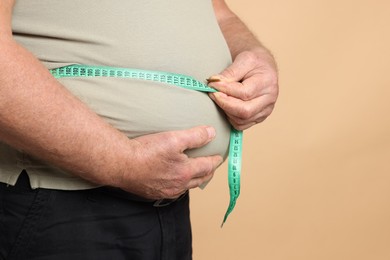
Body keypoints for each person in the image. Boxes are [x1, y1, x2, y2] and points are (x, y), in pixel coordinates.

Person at [0, 0, 278, 259]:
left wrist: (251, 53)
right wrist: (123, 161)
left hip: (167, 209)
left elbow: (217, 11)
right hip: (55, 200)